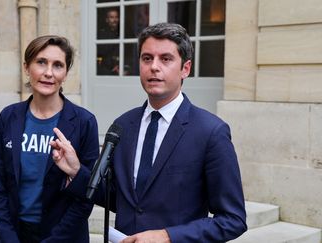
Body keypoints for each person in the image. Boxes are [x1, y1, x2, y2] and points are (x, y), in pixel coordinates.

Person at [50, 23, 247, 242]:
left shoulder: (211, 132)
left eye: (166, 59)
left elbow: (232, 220)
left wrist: (167, 236)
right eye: (147, 58)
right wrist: (76, 171)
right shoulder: (122, 125)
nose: (154, 67)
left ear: (186, 68)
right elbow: (122, 201)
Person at [0, 35, 99, 243]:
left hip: (63, 236)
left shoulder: (84, 122)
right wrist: (8, 237)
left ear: (65, 73)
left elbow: (87, 196)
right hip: (15, 233)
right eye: (41, 62)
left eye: (58, 65)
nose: (49, 73)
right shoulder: (9, 117)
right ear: (26, 67)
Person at [97, 8, 120, 75]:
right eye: (112, 17)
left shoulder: (122, 33)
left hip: (119, 68)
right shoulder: (102, 35)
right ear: (107, 20)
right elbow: (102, 53)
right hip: (106, 69)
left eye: (116, 17)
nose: (114, 20)